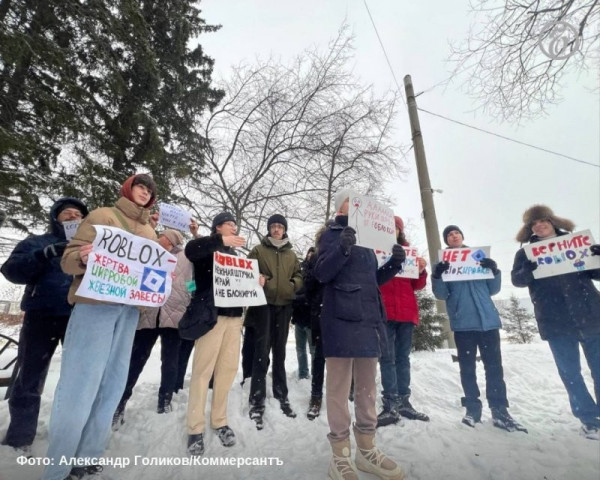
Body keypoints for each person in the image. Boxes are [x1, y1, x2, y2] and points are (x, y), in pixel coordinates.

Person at [42, 174, 158, 480]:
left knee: (112, 385)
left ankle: (87, 455)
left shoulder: (150, 231)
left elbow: (149, 273)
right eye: (140, 186)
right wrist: (82, 258)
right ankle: (57, 468)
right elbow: (68, 259)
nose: (145, 192)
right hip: (95, 305)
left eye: (149, 190)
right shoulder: (102, 215)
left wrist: (159, 281)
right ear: (128, 188)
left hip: (128, 312)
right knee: (80, 385)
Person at [314, 190, 406, 480]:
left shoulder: (368, 241)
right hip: (340, 320)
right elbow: (321, 273)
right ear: (340, 208)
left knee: (367, 389)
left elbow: (372, 279)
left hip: (368, 320)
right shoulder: (331, 235)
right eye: (349, 201)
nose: (355, 203)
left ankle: (366, 450)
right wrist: (342, 248)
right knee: (339, 390)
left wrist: (394, 264)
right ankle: (340, 455)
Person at [0, 198, 88, 454]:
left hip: (80, 317)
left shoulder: (91, 246)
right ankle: (19, 438)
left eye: (78, 214)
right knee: (29, 377)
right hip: (41, 316)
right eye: (67, 213)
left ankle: (70, 435)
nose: (73, 217)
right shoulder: (37, 242)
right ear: (55, 217)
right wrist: (43, 254)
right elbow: (11, 271)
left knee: (79, 378)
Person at [511, 205, 600, 439]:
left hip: (591, 316)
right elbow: (517, 281)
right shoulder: (525, 254)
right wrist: (527, 271)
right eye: (534, 224)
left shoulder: (576, 243)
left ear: (552, 221)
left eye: (543, 221)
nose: (539, 225)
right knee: (570, 373)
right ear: (529, 229)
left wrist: (598, 257)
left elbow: (597, 274)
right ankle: (588, 419)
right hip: (555, 321)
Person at [432, 225, 526, 433]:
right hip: (463, 324)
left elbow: (494, 289)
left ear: (462, 236)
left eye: (456, 233)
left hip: (488, 322)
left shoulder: (478, 257)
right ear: (446, 241)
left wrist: (495, 271)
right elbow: (441, 295)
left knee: (494, 368)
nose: (454, 236)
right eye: (449, 234)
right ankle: (472, 409)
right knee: (467, 369)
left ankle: (500, 410)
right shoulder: (444, 263)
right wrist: (437, 276)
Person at [184, 212, 255, 456]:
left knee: (227, 371)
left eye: (236, 224)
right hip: (211, 318)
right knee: (203, 371)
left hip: (234, 319)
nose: (234, 227)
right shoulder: (206, 249)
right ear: (217, 228)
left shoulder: (235, 256)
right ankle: (195, 428)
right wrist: (219, 242)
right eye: (229, 224)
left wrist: (256, 281)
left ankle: (220, 421)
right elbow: (191, 250)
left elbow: (242, 285)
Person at [112, 228, 192, 430]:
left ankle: (165, 400)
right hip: (148, 314)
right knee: (135, 360)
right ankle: (119, 402)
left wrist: (188, 295)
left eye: (162, 236)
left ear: (171, 241)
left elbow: (193, 282)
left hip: (174, 316)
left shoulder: (186, 258)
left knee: (170, 361)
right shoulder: (149, 253)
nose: (158, 238)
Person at [247, 214, 303, 428]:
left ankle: (282, 395)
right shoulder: (258, 250)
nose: (277, 229)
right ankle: (257, 400)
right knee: (261, 352)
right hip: (263, 305)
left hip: (284, 307)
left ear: (284, 229)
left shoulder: (291, 254)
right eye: (273, 226)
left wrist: (292, 285)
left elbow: (299, 276)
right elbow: (246, 272)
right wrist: (262, 280)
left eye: (280, 226)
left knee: (280, 352)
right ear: (269, 229)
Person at [377, 216, 429, 427]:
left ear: (400, 231)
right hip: (385, 313)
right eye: (388, 227)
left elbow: (417, 285)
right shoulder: (377, 251)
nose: (393, 230)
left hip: (406, 313)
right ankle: (390, 403)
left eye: (396, 228)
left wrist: (422, 270)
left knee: (402, 358)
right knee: (387, 358)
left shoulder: (410, 252)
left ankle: (404, 401)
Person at [292, 248, 316, 380]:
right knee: (300, 348)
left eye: (313, 254)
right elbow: (295, 290)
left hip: (311, 319)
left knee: (313, 350)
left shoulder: (318, 272)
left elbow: (312, 295)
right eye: (309, 254)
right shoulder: (300, 272)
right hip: (299, 317)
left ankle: (315, 375)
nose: (310, 256)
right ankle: (303, 374)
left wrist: (299, 298)